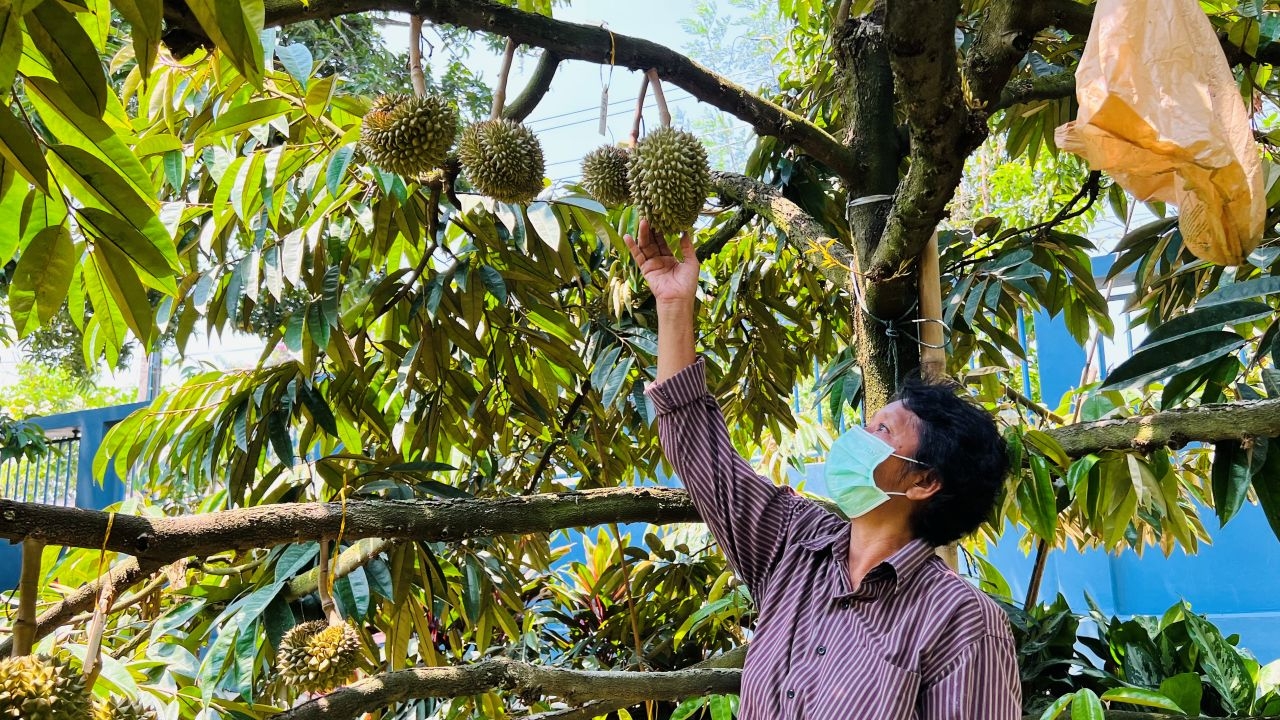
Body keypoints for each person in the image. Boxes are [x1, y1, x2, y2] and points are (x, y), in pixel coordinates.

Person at [623, 220, 1021, 719]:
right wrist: (674, 305)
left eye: (883, 433)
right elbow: (703, 454)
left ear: (923, 482)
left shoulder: (961, 622)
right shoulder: (794, 543)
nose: (856, 439)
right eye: (868, 423)